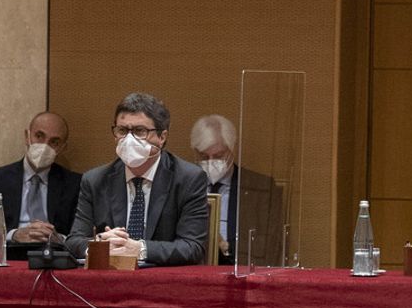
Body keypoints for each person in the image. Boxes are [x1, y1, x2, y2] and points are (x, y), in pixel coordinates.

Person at [64, 92, 209, 266]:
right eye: (122, 131)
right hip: (109, 281)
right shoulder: (95, 180)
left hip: (162, 282)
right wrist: (99, 244)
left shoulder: (189, 178)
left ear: (162, 137)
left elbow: (192, 247)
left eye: (140, 131)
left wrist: (140, 249)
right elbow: (73, 242)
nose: (129, 140)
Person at [190, 114, 285, 266]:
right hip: (194, 268)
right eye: (203, 156)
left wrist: (226, 248)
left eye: (219, 155)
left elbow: (273, 245)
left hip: (240, 270)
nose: (211, 162)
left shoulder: (262, 188)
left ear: (232, 149)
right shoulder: (185, 184)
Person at [0, 111, 80, 243]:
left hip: (53, 256)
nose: (44, 145)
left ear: (63, 148)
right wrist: (14, 235)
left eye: (54, 142)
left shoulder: (75, 184)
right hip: (11, 256)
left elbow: (81, 235)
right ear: (27, 136)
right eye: (39, 136)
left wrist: (59, 239)